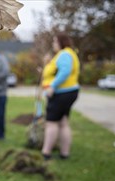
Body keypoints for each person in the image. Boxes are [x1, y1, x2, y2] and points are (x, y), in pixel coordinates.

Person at [41, 32, 80, 160]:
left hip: (61, 93)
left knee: (51, 123)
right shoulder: (69, 53)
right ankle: (64, 153)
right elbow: (57, 71)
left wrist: (52, 87)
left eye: (54, 42)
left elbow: (64, 72)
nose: (53, 44)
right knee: (63, 123)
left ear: (60, 42)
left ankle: (46, 152)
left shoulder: (64, 54)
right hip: (69, 92)